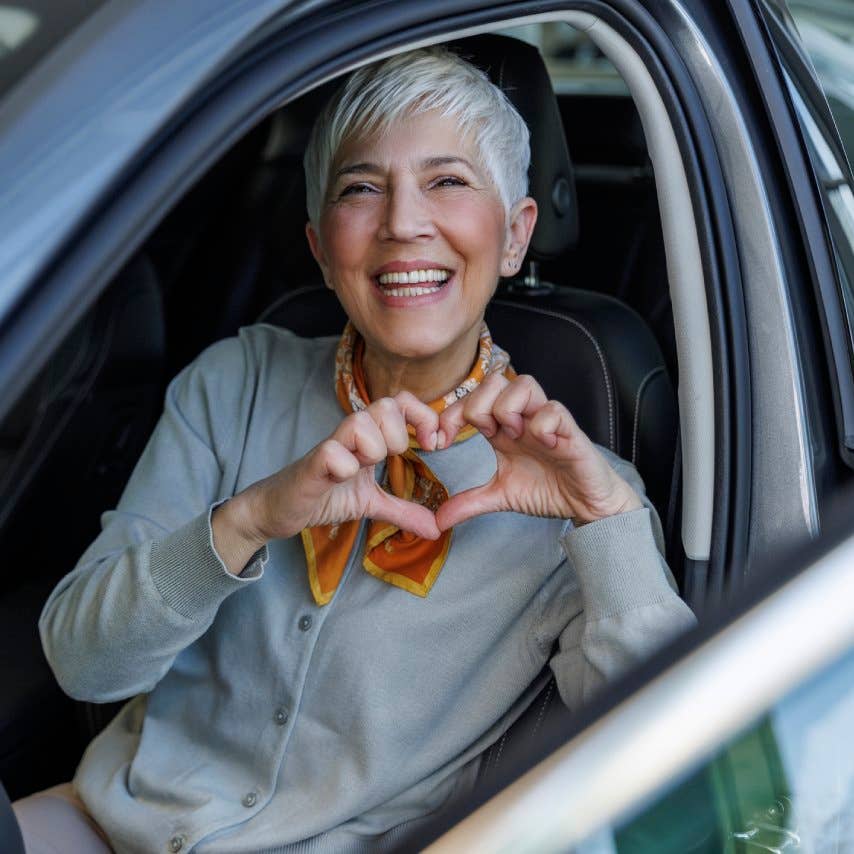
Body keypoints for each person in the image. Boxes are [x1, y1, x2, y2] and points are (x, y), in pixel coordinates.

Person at [12, 46, 696, 853]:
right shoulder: (235, 380)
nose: (403, 222)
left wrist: (607, 519)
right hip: (108, 823)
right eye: (361, 188)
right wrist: (251, 518)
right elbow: (85, 667)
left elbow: (677, 774)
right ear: (320, 246)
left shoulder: (575, 490)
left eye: (447, 181)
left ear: (514, 237)